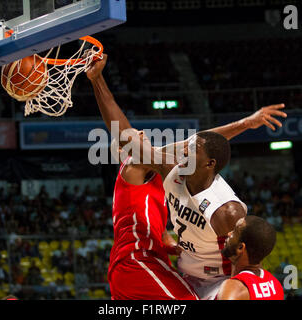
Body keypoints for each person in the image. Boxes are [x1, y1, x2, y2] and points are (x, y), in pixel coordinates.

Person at [86, 54, 287, 300]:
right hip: (173, 272)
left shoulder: (227, 210)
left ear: (208, 164)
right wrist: (97, 80)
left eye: (191, 150)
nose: (183, 149)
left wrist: (250, 284)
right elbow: (125, 135)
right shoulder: (167, 168)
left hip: (217, 283)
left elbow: (248, 252)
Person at [217, 216, 284, 300]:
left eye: (234, 232)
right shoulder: (276, 285)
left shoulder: (235, 288)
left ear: (240, 248)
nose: (229, 233)